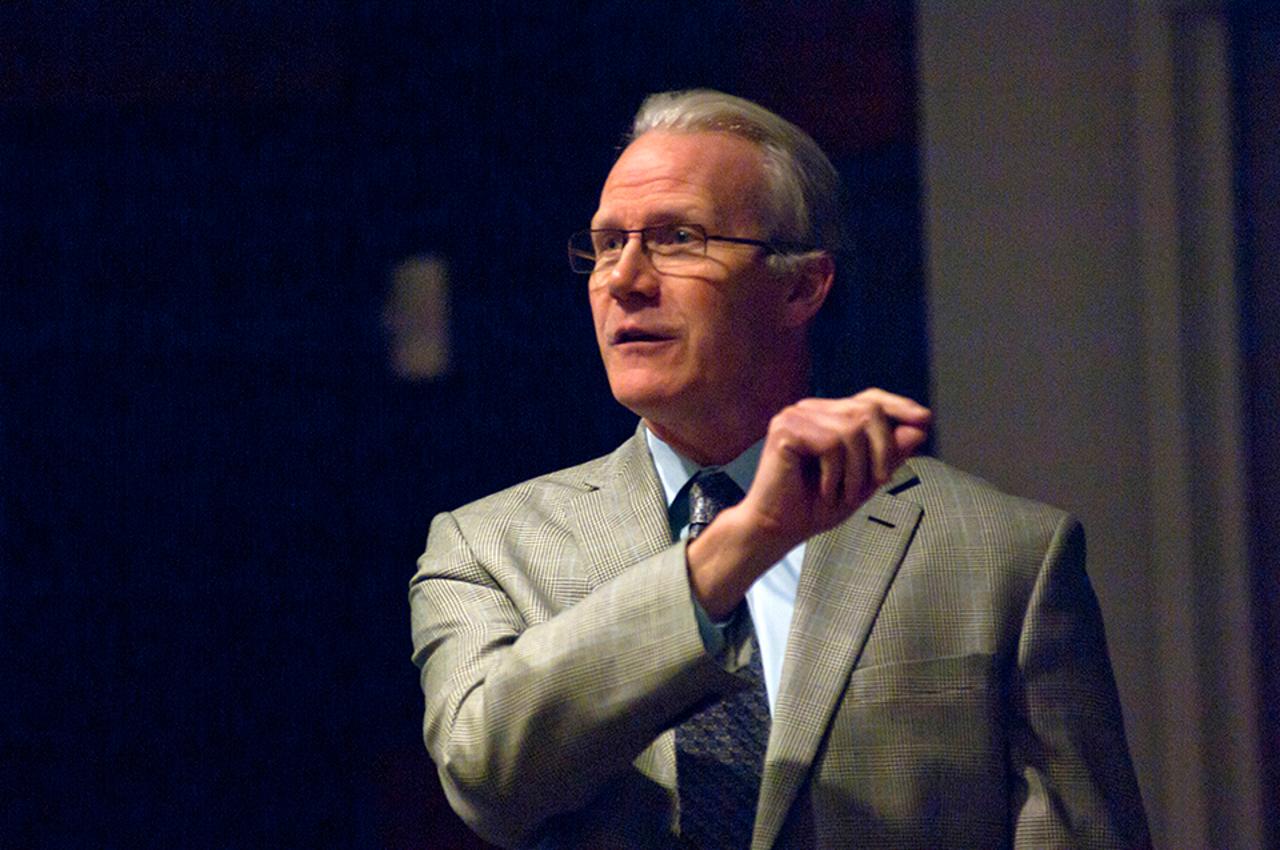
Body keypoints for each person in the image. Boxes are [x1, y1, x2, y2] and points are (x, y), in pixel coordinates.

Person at [409, 89, 1149, 849]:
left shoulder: (1008, 556)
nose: (624, 279)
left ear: (801, 285)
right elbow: (488, 774)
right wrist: (744, 544)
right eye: (606, 245)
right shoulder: (488, 547)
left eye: (678, 239)